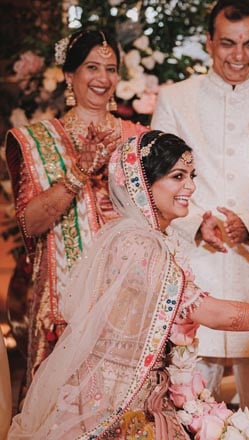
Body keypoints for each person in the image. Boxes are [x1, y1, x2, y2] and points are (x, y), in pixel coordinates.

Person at [7, 131, 249, 438]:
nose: (191, 187)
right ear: (143, 183)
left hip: (146, 396)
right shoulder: (138, 245)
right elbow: (214, 313)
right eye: (178, 176)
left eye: (191, 176)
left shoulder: (153, 238)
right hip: (115, 405)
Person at [151, 0, 249, 435]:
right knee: (185, 404)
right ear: (209, 43)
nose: (239, 55)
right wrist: (197, 221)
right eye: (228, 44)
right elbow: (158, 177)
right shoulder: (176, 99)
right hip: (194, 270)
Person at [4, 29, 147, 384]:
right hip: (63, 304)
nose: (103, 79)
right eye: (91, 67)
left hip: (127, 299)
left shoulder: (137, 138)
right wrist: (80, 170)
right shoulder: (37, 140)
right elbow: (30, 224)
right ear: (70, 75)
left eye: (111, 69)